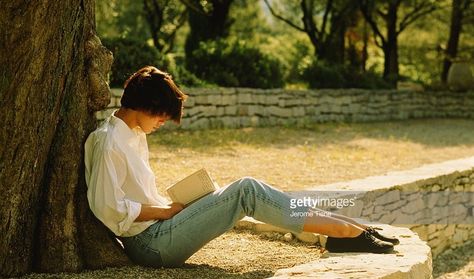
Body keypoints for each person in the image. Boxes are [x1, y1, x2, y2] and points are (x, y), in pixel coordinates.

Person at [84, 66, 399, 268]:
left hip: (159, 230)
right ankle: (346, 232)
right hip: (149, 244)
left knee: (245, 188)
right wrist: (163, 212)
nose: (162, 122)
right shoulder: (109, 141)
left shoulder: (134, 135)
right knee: (246, 190)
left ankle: (353, 228)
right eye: (161, 116)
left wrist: (170, 206)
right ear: (141, 105)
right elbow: (106, 206)